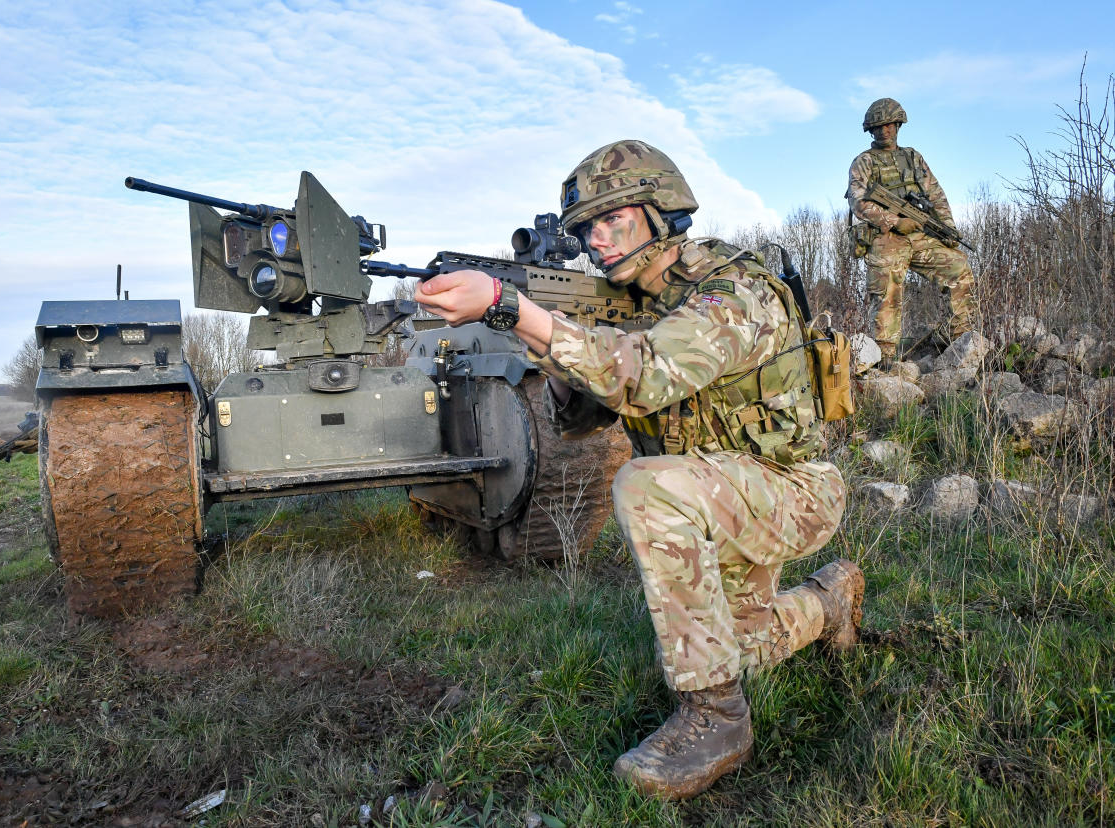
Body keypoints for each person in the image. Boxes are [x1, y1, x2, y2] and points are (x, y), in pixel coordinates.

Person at [414, 140, 863, 800]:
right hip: (721, 496)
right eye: (586, 229)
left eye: (612, 220)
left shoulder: (735, 291)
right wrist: (549, 340)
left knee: (643, 484)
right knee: (738, 647)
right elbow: (583, 420)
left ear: (661, 212)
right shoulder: (636, 305)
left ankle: (716, 721)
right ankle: (831, 601)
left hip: (791, 490)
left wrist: (517, 310)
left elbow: (647, 376)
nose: (596, 240)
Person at [847, 98, 977, 367]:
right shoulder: (864, 162)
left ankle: (961, 340)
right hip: (885, 237)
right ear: (871, 130)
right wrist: (894, 220)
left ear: (898, 125)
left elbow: (935, 194)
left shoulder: (912, 157)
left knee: (958, 266)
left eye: (889, 125)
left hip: (919, 236)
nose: (885, 131)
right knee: (887, 288)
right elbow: (858, 202)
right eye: (879, 127)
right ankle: (885, 358)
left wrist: (948, 227)